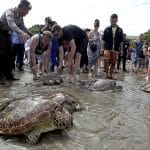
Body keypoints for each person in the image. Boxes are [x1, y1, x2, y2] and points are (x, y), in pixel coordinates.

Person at [0, 0, 32, 84]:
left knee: (9, 53)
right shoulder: (9, 12)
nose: (27, 13)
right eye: (26, 11)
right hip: (0, 31)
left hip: (7, 33)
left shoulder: (20, 18)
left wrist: (29, 33)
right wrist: (20, 32)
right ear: (21, 8)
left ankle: (9, 75)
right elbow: (11, 24)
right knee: (2, 53)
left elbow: (22, 27)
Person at [102, 14, 123, 79]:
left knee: (113, 63)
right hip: (107, 48)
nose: (113, 20)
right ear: (110, 20)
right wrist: (102, 48)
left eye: (114, 19)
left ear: (117, 20)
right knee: (106, 60)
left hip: (115, 49)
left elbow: (121, 41)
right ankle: (106, 74)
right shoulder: (106, 29)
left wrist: (121, 50)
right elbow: (103, 40)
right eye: (112, 19)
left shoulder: (120, 30)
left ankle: (110, 75)